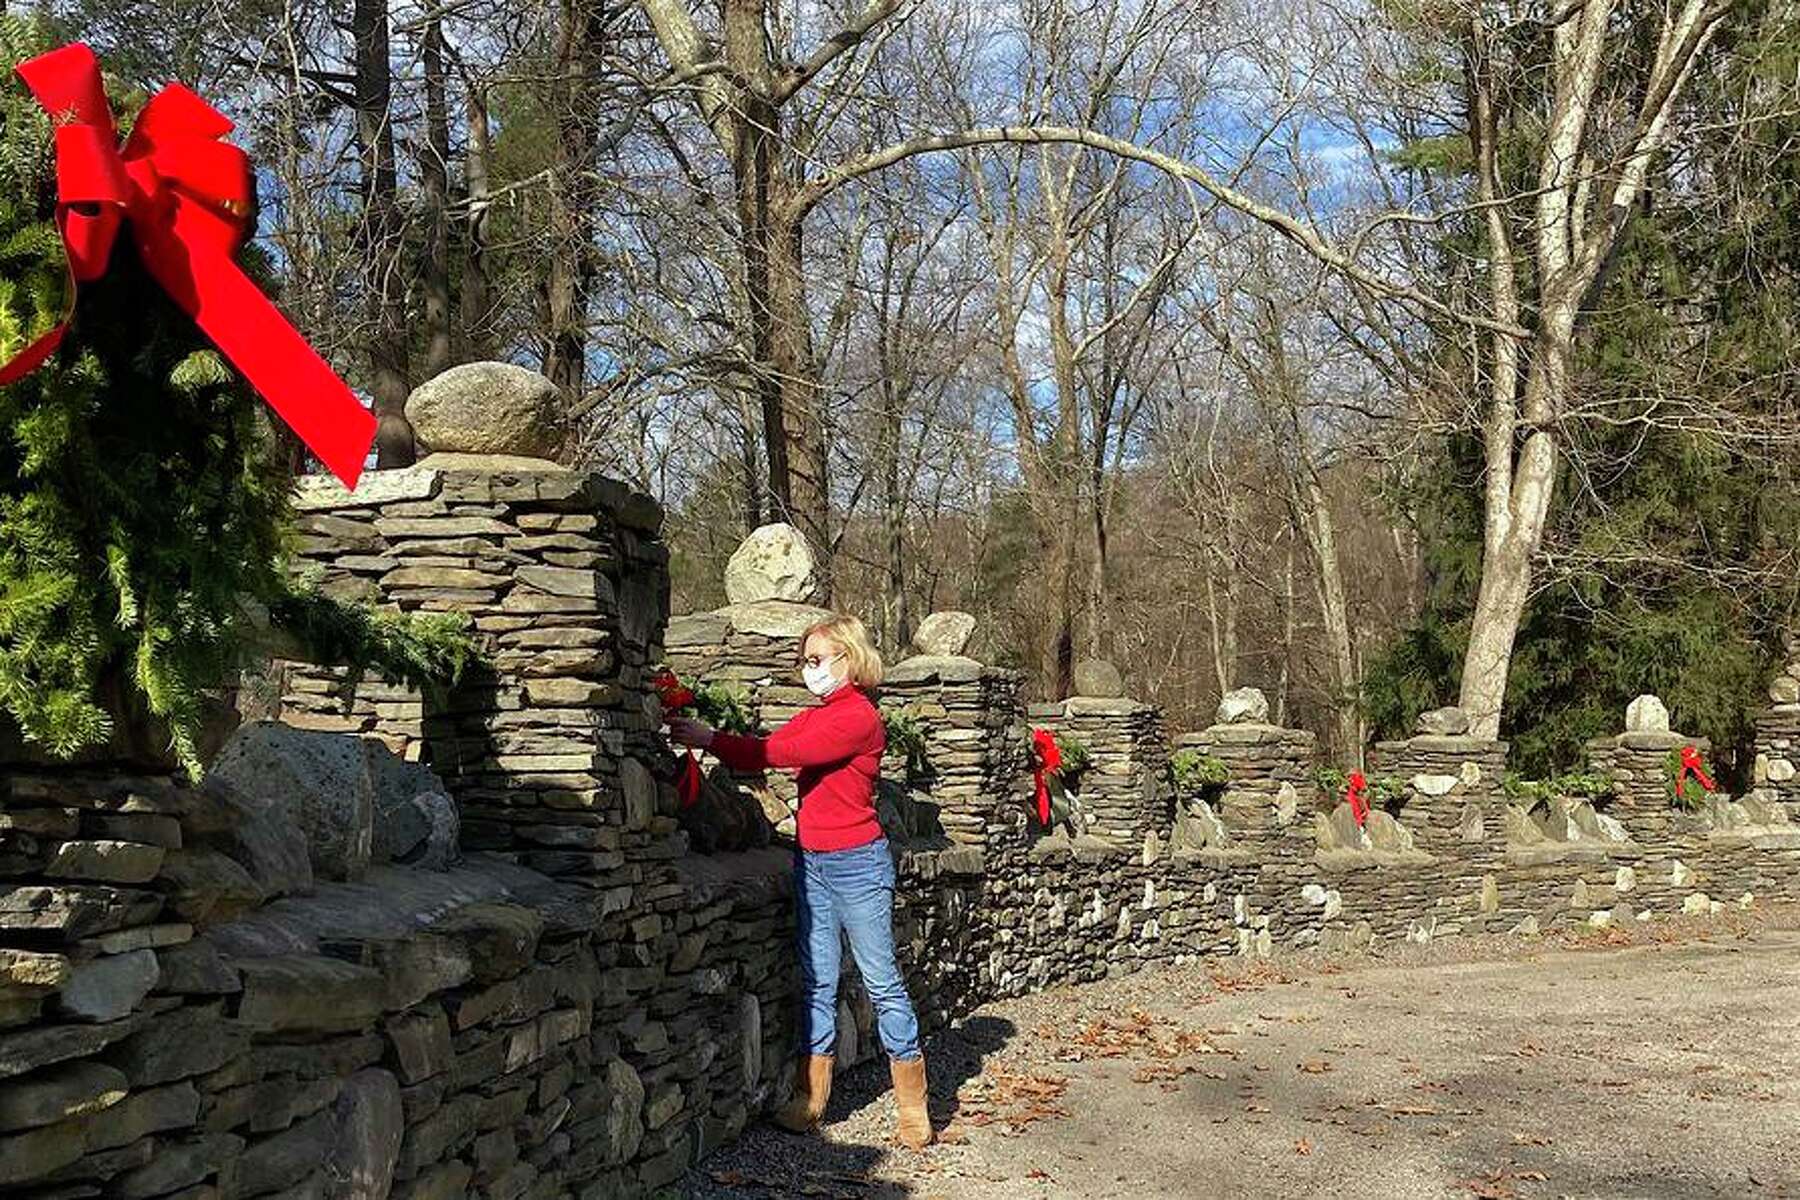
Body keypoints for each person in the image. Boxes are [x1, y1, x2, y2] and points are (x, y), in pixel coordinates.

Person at [666, 613, 932, 1151]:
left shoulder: (858, 718)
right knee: (817, 980)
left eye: (818, 660)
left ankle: (913, 1104)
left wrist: (711, 737)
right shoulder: (819, 715)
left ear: (849, 660)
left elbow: (784, 753)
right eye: (806, 660)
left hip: (857, 863)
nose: (810, 669)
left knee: (881, 981)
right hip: (814, 861)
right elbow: (769, 745)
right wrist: (711, 736)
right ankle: (812, 1098)